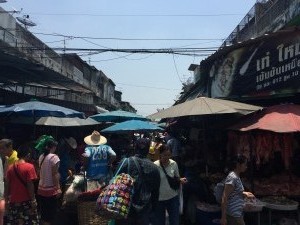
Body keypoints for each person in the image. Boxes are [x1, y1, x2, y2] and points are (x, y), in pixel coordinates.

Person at [116, 137, 161, 225]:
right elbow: (156, 192)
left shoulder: (126, 162)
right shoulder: (155, 168)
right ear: (148, 150)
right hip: (144, 210)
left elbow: (114, 181)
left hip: (125, 207)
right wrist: (153, 210)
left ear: (135, 148)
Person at [153, 144, 187, 225]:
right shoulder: (154, 165)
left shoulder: (174, 164)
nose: (167, 157)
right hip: (159, 200)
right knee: (159, 222)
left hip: (173, 198)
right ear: (160, 154)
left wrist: (181, 180)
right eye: (164, 155)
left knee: (174, 222)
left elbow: (177, 178)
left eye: (169, 155)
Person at [5, 145, 39, 225]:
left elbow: (7, 185)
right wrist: (33, 200)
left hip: (14, 202)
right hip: (26, 202)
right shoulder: (29, 167)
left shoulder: (10, 168)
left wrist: (6, 200)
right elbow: (30, 185)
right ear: (28, 154)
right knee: (30, 222)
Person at [221, 154, 255, 225]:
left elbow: (234, 192)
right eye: (244, 164)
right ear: (238, 165)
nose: (246, 167)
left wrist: (245, 193)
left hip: (236, 213)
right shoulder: (232, 178)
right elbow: (225, 197)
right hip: (233, 215)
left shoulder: (236, 176)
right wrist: (223, 218)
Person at [37, 138, 61, 225]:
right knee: (51, 213)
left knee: (44, 213)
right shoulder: (54, 157)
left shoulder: (41, 156)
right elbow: (54, 174)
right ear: (53, 147)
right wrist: (58, 188)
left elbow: (39, 172)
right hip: (51, 190)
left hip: (41, 188)